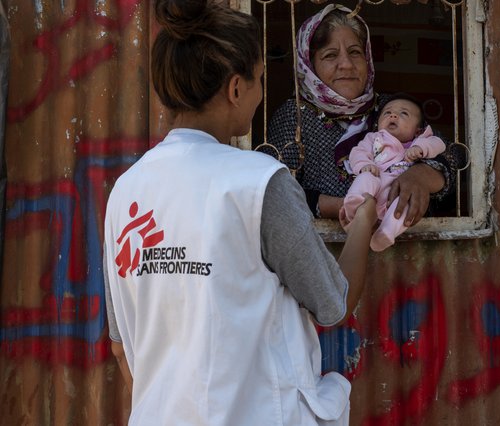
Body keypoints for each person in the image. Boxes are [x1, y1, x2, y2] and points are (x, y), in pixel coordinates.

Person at [102, 1, 377, 425]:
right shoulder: (259, 182)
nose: (262, 91)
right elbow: (333, 303)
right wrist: (366, 214)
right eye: (261, 79)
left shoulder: (126, 191)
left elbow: (121, 347)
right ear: (235, 89)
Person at [267, 4, 462, 225]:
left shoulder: (388, 108)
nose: (347, 65)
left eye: (355, 52)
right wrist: (349, 208)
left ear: (367, 58)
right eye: (331, 55)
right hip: (327, 248)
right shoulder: (294, 117)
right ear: (309, 65)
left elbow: (451, 155)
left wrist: (420, 176)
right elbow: (276, 194)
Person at [343, 93, 446, 251]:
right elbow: (358, 152)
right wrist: (365, 165)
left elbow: (439, 144)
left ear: (418, 130)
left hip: (397, 192)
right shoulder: (374, 138)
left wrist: (420, 148)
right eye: (387, 112)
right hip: (376, 182)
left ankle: (387, 233)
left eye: (403, 113)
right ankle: (354, 206)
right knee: (365, 179)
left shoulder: (419, 141)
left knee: (406, 204)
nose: (393, 114)